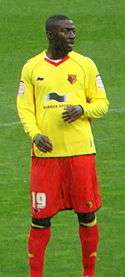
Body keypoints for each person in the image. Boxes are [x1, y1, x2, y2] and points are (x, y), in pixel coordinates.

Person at [17, 15, 109, 277]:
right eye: (66, 31)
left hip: (81, 153)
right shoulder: (32, 67)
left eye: (73, 31)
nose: (72, 35)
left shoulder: (85, 65)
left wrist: (82, 109)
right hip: (46, 157)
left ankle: (89, 274)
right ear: (50, 35)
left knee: (87, 215)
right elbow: (24, 108)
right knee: (40, 219)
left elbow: (102, 104)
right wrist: (34, 134)